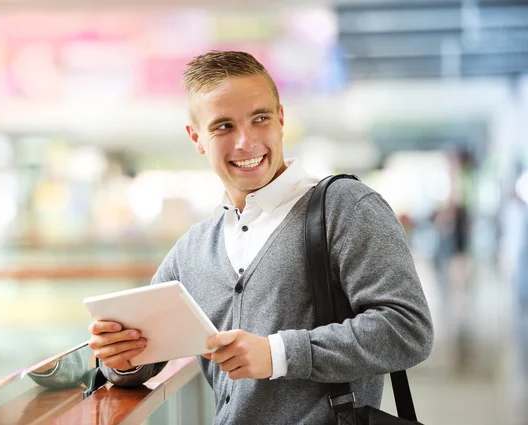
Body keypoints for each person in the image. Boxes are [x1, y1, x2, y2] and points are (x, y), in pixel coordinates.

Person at [88, 50, 433, 424]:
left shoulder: (345, 207)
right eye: (223, 126)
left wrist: (279, 353)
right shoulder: (193, 250)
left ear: (281, 119)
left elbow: (408, 329)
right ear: (197, 138)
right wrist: (119, 359)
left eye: (260, 118)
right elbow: (142, 360)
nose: (245, 142)